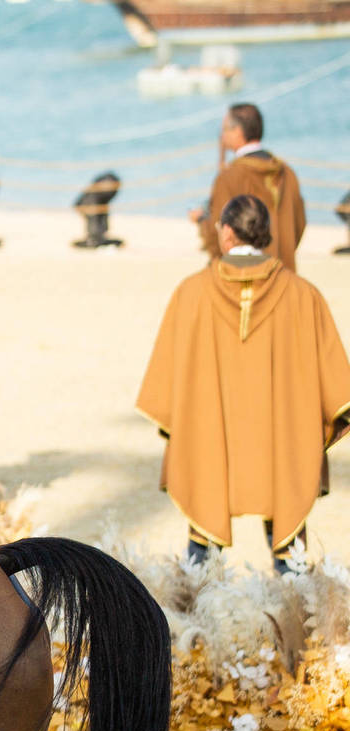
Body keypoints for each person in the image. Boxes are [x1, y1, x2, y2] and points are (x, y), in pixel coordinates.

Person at [140, 195, 350, 573]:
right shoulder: (305, 295)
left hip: (211, 445)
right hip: (282, 445)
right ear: (265, 234)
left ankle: (198, 609)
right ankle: (295, 608)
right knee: (289, 539)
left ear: (226, 233)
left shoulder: (191, 293)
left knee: (201, 547)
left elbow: (165, 386)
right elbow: (337, 390)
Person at [189, 103, 305, 273]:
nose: (221, 136)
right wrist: (283, 251)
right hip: (283, 273)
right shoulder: (287, 173)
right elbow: (299, 224)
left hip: (243, 275)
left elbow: (219, 235)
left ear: (237, 132)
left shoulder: (229, 176)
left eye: (224, 130)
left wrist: (200, 221)